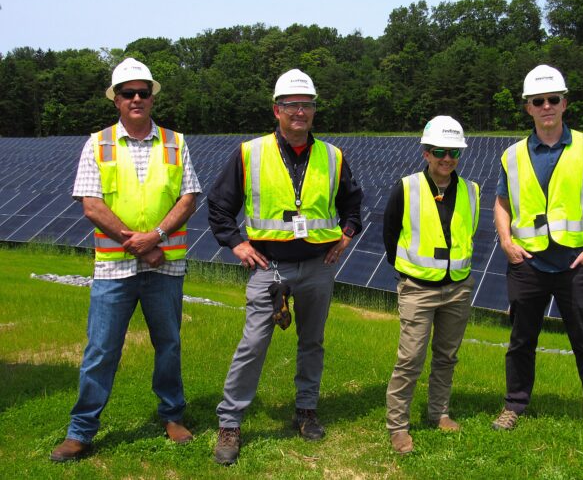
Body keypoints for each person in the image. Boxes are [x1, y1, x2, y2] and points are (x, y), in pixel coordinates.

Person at [207, 69, 363, 465]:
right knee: (254, 344)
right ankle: (230, 423)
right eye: (292, 105)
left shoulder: (333, 156)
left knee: (312, 342)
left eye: (306, 105)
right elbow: (219, 206)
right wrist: (238, 244)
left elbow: (353, 204)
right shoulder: (249, 152)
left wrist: (345, 235)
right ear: (276, 110)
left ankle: (306, 411)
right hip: (269, 267)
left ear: (313, 110)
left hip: (317, 266)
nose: (300, 112)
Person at [50, 58, 201, 462]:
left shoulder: (176, 142)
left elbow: (188, 198)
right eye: (127, 93)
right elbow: (91, 205)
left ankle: (172, 415)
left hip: (165, 266)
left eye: (143, 92)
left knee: (168, 345)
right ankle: (80, 431)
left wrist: (157, 237)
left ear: (152, 98)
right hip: (113, 268)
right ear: (115, 100)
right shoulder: (97, 143)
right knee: (100, 349)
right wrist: (135, 242)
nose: (136, 99)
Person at [491, 64, 583, 442]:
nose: (546, 106)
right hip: (528, 262)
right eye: (539, 101)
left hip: (575, 262)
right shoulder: (512, 155)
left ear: (564, 103)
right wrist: (506, 242)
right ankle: (514, 405)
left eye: (553, 99)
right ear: (528, 107)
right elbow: (501, 203)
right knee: (521, 340)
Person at [383, 116, 480, 454]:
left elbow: (468, 233)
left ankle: (438, 412)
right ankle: (398, 427)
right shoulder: (406, 187)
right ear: (426, 152)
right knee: (410, 358)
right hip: (418, 288)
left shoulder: (471, 190)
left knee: (446, 356)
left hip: (458, 288)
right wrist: (407, 273)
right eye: (439, 151)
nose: (447, 158)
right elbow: (390, 234)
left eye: (453, 151)